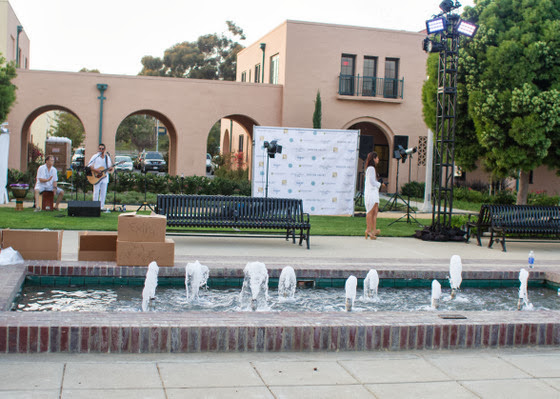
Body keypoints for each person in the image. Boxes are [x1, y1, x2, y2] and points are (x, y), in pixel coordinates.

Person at [363, 151, 385, 240]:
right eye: (377, 158)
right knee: (370, 211)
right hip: (371, 192)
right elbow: (372, 182)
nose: (378, 159)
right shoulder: (371, 168)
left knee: (375, 211)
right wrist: (380, 184)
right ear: (374, 159)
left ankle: (374, 230)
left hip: (374, 192)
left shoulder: (372, 169)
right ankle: (368, 230)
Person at [87, 143, 113, 211]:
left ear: (104, 149)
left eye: (102, 149)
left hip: (104, 176)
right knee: (96, 192)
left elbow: (110, 167)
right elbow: (89, 166)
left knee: (103, 192)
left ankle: (101, 207)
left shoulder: (107, 158)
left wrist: (110, 168)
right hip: (97, 176)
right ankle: (95, 206)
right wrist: (96, 170)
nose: (101, 150)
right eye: (100, 149)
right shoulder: (95, 156)